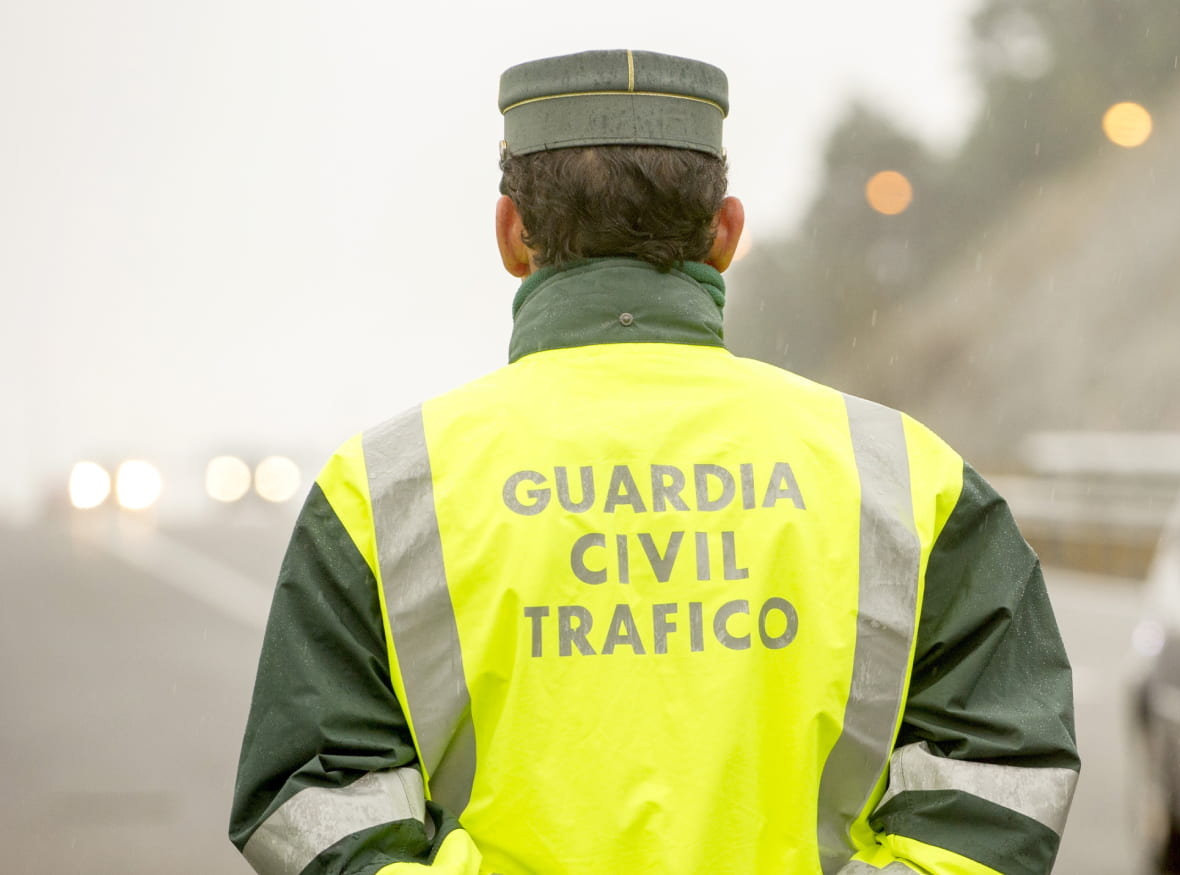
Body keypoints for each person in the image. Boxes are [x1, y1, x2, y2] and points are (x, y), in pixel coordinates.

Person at [228, 49, 1078, 875]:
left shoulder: (383, 490)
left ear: (512, 234)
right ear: (726, 233)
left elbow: (314, 801)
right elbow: (1002, 775)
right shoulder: (902, 477)